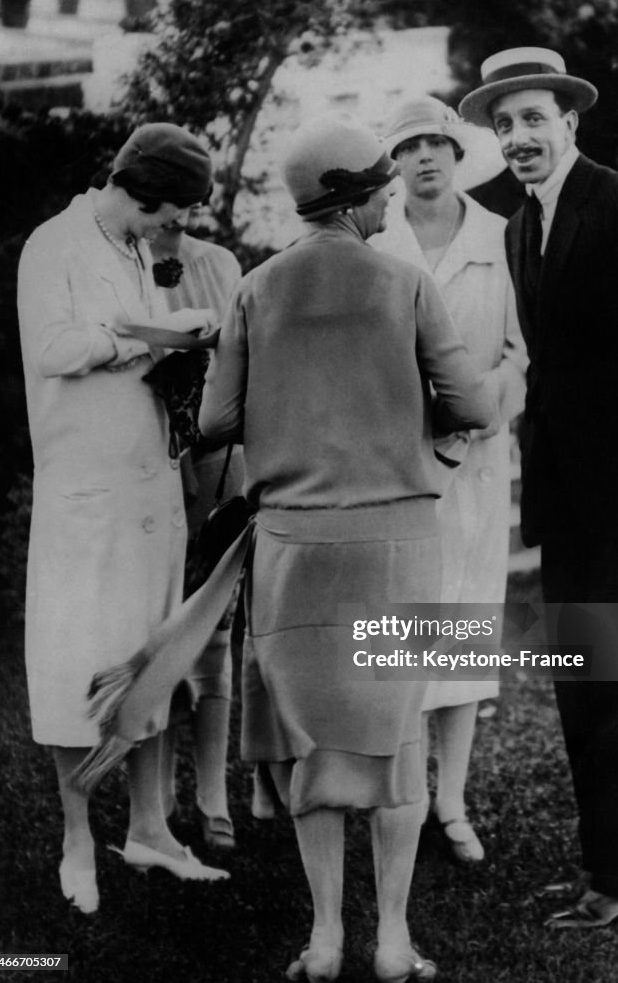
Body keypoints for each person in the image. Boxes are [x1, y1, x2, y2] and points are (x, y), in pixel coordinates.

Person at [199, 113, 499, 982]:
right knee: (396, 744)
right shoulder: (403, 283)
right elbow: (474, 408)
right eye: (381, 187)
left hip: (291, 551)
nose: (389, 200)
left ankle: (326, 937)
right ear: (361, 195)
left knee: (311, 746)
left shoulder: (255, 289)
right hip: (398, 547)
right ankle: (394, 940)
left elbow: (218, 424)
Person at [460, 47, 618, 927]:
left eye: (533, 118)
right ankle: (606, 866)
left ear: (569, 121)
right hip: (569, 501)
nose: (518, 136)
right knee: (580, 679)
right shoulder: (519, 224)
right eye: (503, 125)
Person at [17, 123, 230, 915]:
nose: (170, 231)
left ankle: (152, 830)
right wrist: (146, 338)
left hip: (148, 487)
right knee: (78, 663)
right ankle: (78, 838)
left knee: (154, 661)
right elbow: (53, 349)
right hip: (87, 494)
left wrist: (174, 345)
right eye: (166, 214)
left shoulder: (133, 248)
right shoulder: (57, 243)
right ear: (137, 193)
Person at [372, 95, 527, 863]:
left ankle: (452, 802)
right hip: (394, 464)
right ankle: (397, 789)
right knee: (403, 627)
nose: (425, 157)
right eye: (409, 146)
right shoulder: (373, 240)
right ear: (391, 162)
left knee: (463, 627)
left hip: (474, 461)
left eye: (437, 143)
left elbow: (519, 351)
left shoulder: (502, 238)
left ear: (456, 153)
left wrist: (488, 406)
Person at [150, 210, 244, 850]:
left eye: (189, 193)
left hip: (215, 456)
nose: (175, 210)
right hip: (147, 462)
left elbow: (239, 361)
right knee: (155, 624)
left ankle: (213, 793)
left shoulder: (220, 265)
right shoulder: (116, 266)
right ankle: (157, 795)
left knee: (214, 624)